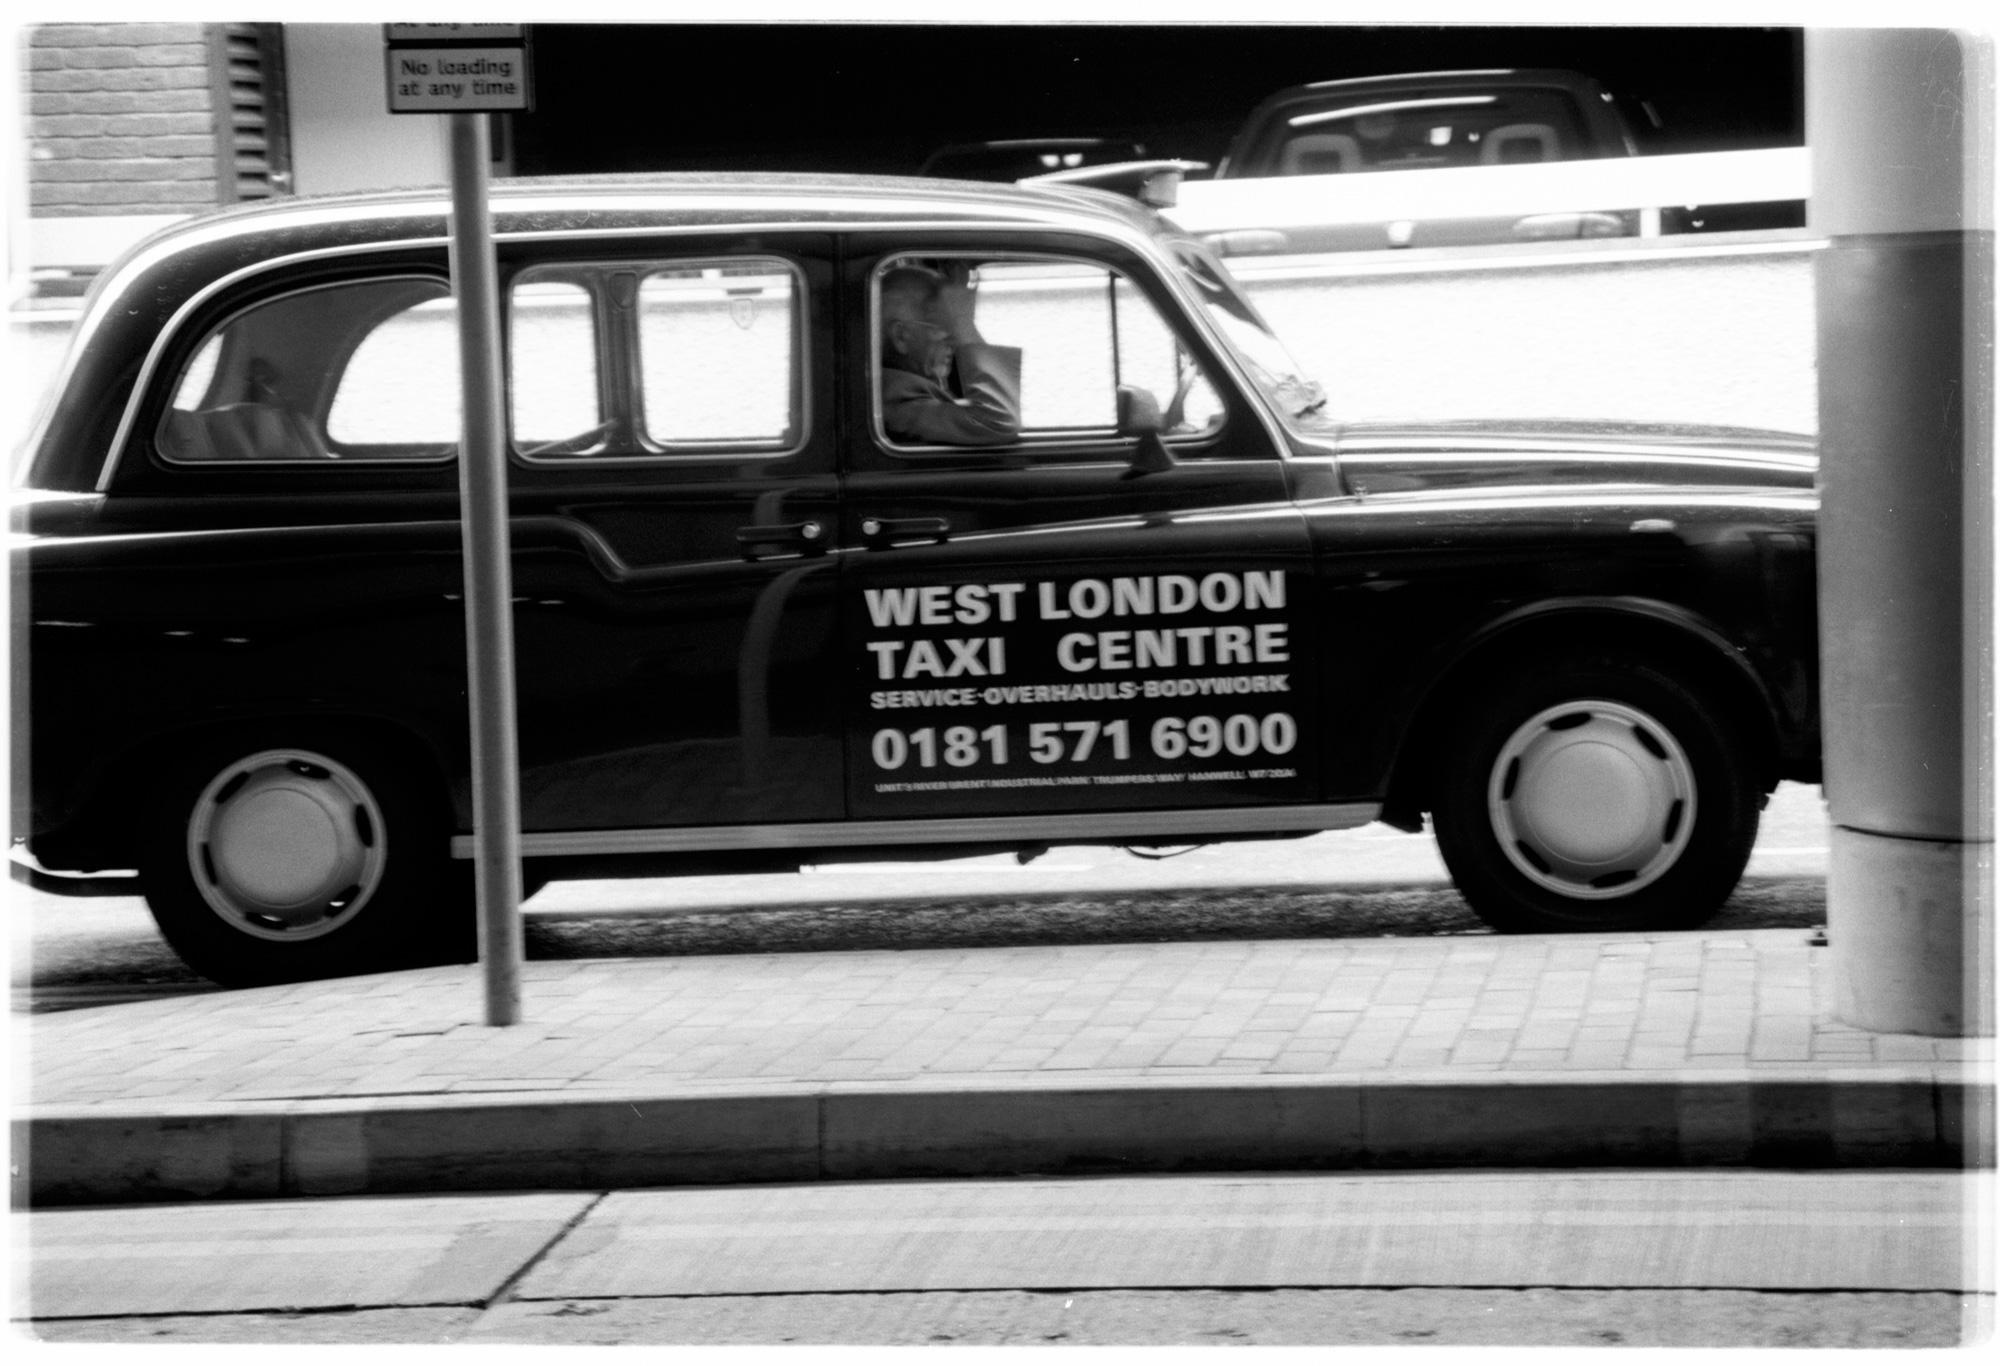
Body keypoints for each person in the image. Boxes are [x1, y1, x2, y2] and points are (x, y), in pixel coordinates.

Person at [879, 263, 1021, 445]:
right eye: (943, 325)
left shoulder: (913, 388)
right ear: (901, 336)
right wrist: (963, 323)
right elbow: (999, 421)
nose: (953, 340)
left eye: (951, 324)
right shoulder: (896, 400)